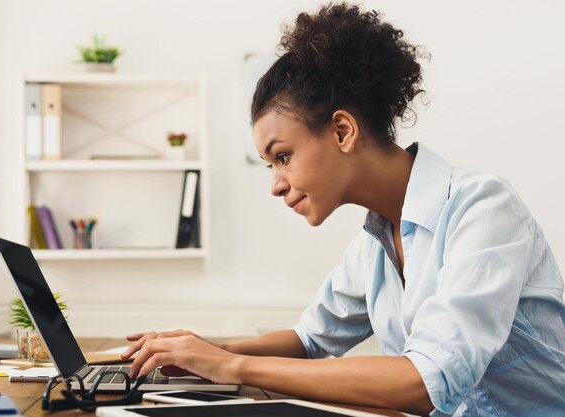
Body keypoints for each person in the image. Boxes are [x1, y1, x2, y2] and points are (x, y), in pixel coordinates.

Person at [122, 3, 565, 416]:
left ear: (342, 131)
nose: (276, 184)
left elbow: (426, 380)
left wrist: (232, 367)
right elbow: (310, 339)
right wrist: (205, 351)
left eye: (282, 156)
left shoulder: (483, 209)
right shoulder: (374, 244)